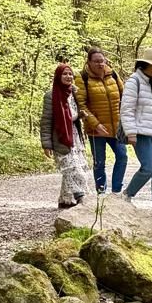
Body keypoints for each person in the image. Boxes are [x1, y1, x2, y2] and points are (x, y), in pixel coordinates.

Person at [120, 45, 152, 213]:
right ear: (150, 65)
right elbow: (126, 109)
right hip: (141, 132)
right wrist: (131, 133)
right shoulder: (133, 81)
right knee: (149, 168)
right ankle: (127, 194)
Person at [75, 46, 126, 194]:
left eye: (102, 61)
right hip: (96, 130)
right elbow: (81, 105)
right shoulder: (82, 78)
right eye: (96, 61)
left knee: (122, 157)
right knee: (99, 162)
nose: (100, 64)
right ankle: (101, 193)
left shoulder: (113, 75)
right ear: (89, 62)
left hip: (116, 127)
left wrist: (124, 119)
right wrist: (95, 124)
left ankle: (116, 191)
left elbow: (124, 96)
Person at [39, 61, 88, 208]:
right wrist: (46, 144)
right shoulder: (51, 96)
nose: (68, 76)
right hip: (60, 137)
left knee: (75, 166)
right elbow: (46, 121)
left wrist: (80, 115)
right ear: (58, 77)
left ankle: (65, 200)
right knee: (72, 168)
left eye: (70, 74)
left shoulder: (75, 93)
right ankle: (81, 197)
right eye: (64, 74)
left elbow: (72, 115)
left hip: (75, 136)